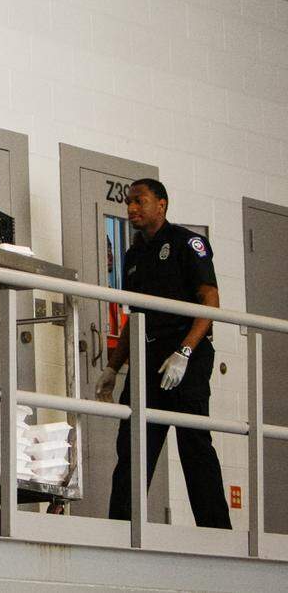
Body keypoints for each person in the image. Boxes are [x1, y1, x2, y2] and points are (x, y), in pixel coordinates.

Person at [94, 178, 231, 529]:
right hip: (148, 358)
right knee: (133, 446)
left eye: (139, 201)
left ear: (161, 204)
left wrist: (184, 352)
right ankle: (120, 530)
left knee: (194, 444)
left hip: (188, 354)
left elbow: (210, 301)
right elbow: (134, 316)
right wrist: (112, 368)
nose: (131, 208)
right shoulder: (134, 255)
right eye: (128, 202)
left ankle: (217, 532)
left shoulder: (187, 243)